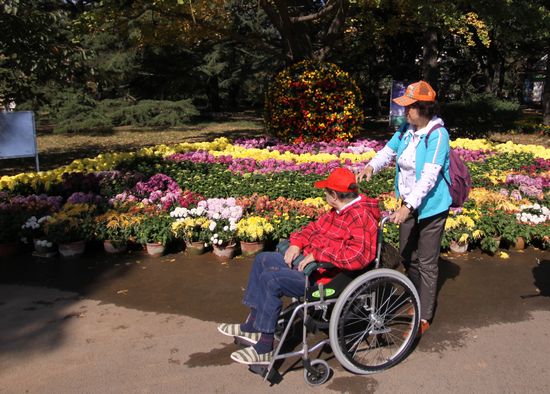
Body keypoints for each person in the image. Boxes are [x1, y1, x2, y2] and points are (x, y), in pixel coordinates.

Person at [217, 167, 380, 365]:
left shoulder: (360, 217)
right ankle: (253, 325)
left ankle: (265, 347)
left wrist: (318, 254)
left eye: (326, 192)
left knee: (271, 280)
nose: (324, 195)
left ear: (335, 195)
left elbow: (358, 256)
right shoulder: (337, 211)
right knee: (262, 260)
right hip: (309, 263)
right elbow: (312, 229)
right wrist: (297, 244)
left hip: (326, 279)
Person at [357, 80, 451, 337]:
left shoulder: (438, 135)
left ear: (423, 108)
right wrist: (371, 167)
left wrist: (408, 206)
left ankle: (424, 314)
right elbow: (387, 152)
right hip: (407, 202)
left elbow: (430, 176)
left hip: (431, 206)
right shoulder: (406, 130)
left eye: (409, 107)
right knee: (408, 256)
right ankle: (414, 296)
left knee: (428, 262)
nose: (405, 112)